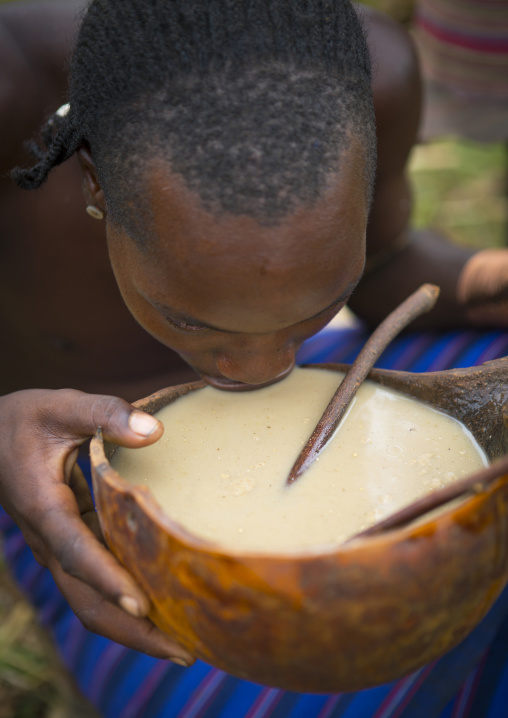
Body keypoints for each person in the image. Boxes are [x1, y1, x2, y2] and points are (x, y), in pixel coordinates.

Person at [2, 0, 508, 715]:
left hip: (348, 366)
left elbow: (393, 263)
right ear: (93, 181)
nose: (263, 369)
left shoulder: (376, 77)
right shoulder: (9, 90)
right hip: (66, 493)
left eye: (314, 304)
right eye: (189, 317)